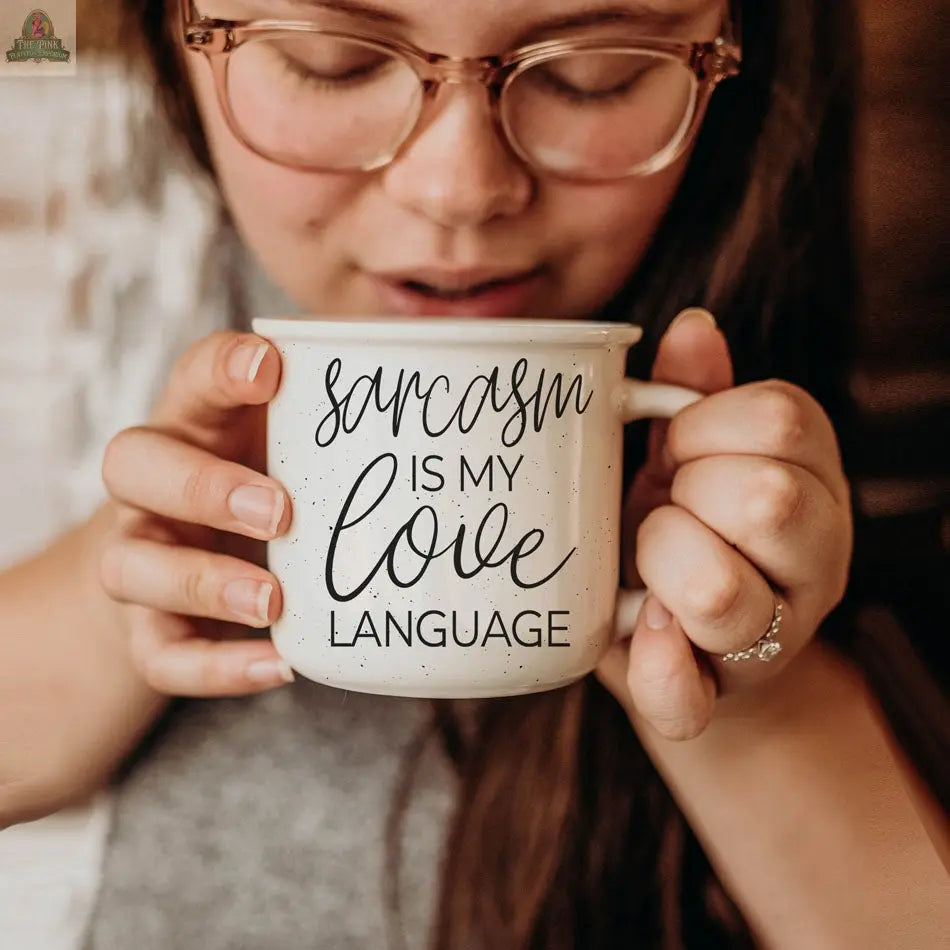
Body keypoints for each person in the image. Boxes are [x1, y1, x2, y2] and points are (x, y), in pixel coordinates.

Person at [0, 0, 947, 948]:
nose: (457, 188)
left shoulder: (808, 439)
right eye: (331, 62)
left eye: (592, 73)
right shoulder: (57, 218)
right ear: (176, 33)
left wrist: (735, 657)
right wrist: (120, 595)